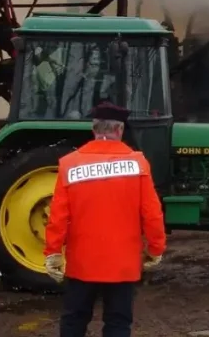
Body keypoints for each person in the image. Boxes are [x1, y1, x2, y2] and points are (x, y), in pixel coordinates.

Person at [44, 102, 166, 337]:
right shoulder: (138, 164)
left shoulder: (69, 164)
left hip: (82, 263)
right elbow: (152, 213)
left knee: (74, 320)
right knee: (118, 323)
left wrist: (53, 252)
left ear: (94, 129)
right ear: (120, 130)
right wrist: (156, 248)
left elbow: (58, 215)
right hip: (122, 265)